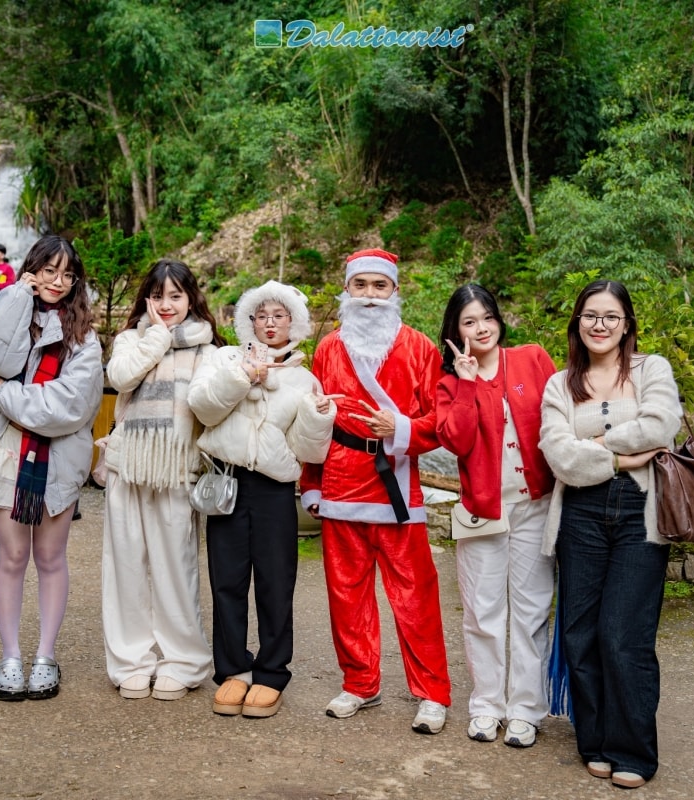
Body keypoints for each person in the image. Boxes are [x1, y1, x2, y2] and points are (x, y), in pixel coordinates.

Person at [299, 248, 451, 734]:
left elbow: (440, 423)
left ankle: (432, 692)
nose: (369, 296)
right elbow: (314, 424)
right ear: (347, 290)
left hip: (397, 482)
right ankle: (360, 682)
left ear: (395, 292)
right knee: (346, 593)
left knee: (415, 594)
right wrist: (311, 483)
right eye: (360, 286)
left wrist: (400, 426)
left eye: (379, 286)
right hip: (341, 476)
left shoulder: (421, 348)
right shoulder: (327, 348)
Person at [539, 279, 682, 790]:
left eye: (611, 317)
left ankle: (633, 750)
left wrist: (594, 444)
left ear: (627, 325)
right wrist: (619, 456)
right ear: (577, 323)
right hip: (579, 513)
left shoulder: (652, 369)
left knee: (624, 635)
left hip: (639, 512)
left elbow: (661, 424)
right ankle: (594, 740)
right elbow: (557, 455)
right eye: (590, 316)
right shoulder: (560, 383)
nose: (600, 325)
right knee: (579, 633)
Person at [0, 234, 103, 702]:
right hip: (5, 451)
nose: (58, 282)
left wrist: (7, 394)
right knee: (12, 557)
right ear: (32, 270)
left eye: (66, 274)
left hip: (57, 457)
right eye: (48, 272)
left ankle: (45, 654)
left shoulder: (84, 336)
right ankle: (10, 656)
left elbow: (68, 406)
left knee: (49, 558)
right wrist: (17, 297)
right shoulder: (14, 311)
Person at [188, 281, 336, 719]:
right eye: (262, 316)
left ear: (293, 322)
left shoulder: (304, 378)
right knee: (226, 581)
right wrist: (244, 376)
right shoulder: (224, 359)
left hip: (273, 491)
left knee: (275, 584)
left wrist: (318, 417)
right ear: (248, 321)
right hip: (228, 484)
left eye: (279, 315)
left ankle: (271, 672)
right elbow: (203, 408)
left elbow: (310, 452)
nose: (270, 324)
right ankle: (233, 670)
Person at [435, 284, 557, 748]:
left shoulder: (530, 359)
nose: (481, 328)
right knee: (483, 612)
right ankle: (487, 705)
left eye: (487, 317)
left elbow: (558, 415)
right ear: (455, 330)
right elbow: (457, 441)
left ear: (499, 320)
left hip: (534, 505)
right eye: (469, 321)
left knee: (530, 611)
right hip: (482, 511)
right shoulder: (449, 383)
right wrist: (466, 382)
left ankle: (526, 708)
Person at [100, 259, 225, 702]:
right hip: (127, 466)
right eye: (157, 296)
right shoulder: (129, 339)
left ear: (191, 298)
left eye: (175, 295)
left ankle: (183, 660)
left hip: (176, 470)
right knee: (126, 566)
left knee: (176, 567)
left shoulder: (209, 351)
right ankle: (131, 661)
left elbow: (208, 406)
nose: (166, 304)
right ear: (146, 300)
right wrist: (157, 338)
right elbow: (120, 378)